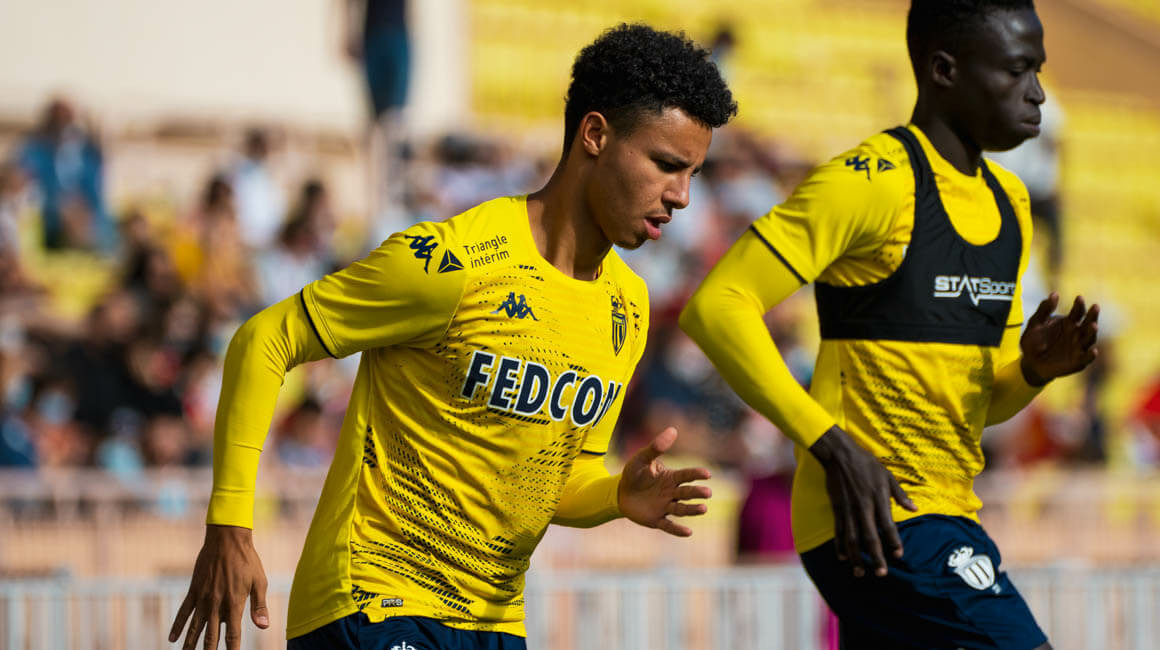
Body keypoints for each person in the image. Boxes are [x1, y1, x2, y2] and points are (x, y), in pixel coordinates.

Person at [168, 23, 736, 650]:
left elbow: (560, 482)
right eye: (666, 165)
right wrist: (230, 526)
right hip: (373, 602)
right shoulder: (453, 263)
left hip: (493, 624)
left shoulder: (628, 307)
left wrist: (616, 496)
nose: (682, 196)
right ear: (595, 135)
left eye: (694, 173)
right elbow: (264, 339)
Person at [680, 1, 1098, 648]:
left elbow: (979, 406)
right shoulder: (870, 182)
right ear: (944, 70)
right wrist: (829, 442)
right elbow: (717, 304)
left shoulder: (1010, 204)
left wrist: (1036, 371)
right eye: (1017, 70)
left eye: (1038, 70)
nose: (1037, 93)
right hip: (876, 518)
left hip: (949, 512)